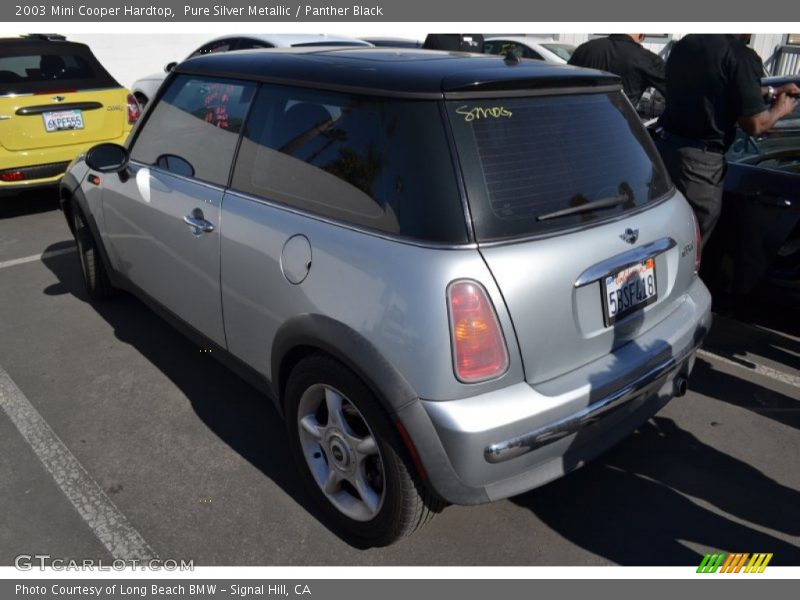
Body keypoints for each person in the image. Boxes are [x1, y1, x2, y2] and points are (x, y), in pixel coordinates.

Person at [655, 34, 799, 247]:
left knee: (661, 234)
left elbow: (718, 86)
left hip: (662, 151)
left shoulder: (686, 44)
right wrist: (780, 110)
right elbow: (755, 125)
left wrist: (772, 91)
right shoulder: (739, 55)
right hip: (699, 166)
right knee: (690, 245)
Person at [568, 34, 666, 105]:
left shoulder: (584, 48)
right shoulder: (647, 59)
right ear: (640, 34)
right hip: (619, 126)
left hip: (577, 123)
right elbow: (675, 94)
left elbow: (565, 83)